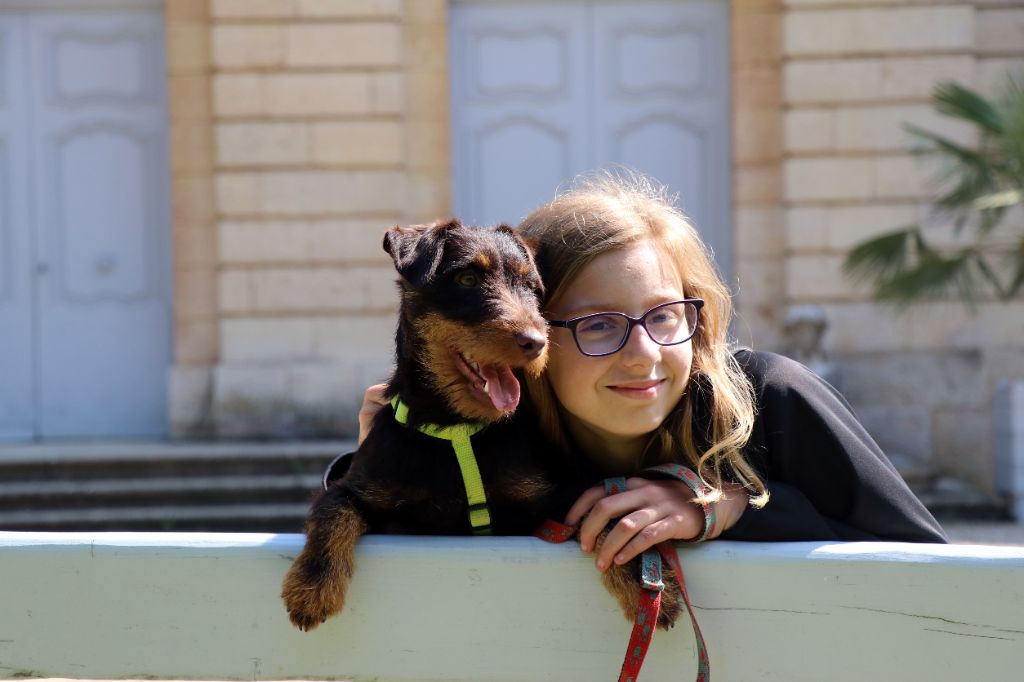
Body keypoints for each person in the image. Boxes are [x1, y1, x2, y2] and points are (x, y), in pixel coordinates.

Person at [352, 172, 948, 575]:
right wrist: (380, 459)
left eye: (665, 315)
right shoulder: (506, 431)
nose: (643, 352)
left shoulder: (771, 396)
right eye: (598, 324)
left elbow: (935, 568)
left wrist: (726, 507)